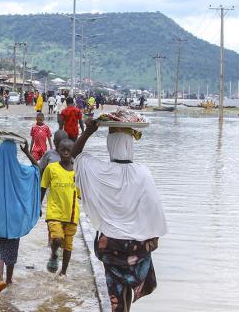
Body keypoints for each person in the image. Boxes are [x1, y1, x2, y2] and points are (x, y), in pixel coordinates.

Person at [72, 120, 168, 312]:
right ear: (129, 144)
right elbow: (153, 207)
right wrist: (154, 236)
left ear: (110, 144)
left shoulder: (99, 170)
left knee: (116, 292)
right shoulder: (142, 173)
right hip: (136, 245)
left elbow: (76, 155)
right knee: (127, 292)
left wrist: (89, 131)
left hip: (110, 244)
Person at [0, 140, 41, 294]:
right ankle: (9, 280)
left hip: (1, 217)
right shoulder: (21, 171)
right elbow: (37, 169)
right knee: (12, 248)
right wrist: (28, 153)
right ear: (14, 153)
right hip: (16, 215)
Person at [40, 139, 80, 275]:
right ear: (58, 151)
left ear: (73, 152)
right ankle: (53, 253)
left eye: (69, 150)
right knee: (57, 238)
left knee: (68, 245)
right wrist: (38, 205)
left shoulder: (77, 172)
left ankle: (63, 272)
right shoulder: (51, 168)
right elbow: (43, 187)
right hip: (54, 212)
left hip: (71, 214)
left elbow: (81, 194)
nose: (66, 152)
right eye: (63, 150)